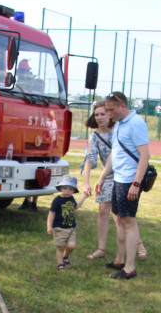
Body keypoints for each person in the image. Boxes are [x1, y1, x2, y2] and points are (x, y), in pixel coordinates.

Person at [96, 91, 149, 280]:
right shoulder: (119, 124)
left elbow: (145, 156)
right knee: (118, 218)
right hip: (119, 178)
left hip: (129, 180)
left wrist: (136, 183)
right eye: (107, 110)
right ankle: (119, 260)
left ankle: (130, 267)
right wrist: (102, 177)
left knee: (128, 221)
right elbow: (114, 154)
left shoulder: (136, 123)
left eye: (111, 110)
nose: (108, 114)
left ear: (122, 106)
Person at [82, 101, 115, 258]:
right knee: (103, 211)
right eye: (96, 115)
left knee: (122, 214)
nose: (100, 117)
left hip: (124, 175)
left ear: (110, 114)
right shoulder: (94, 136)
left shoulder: (118, 131)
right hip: (107, 176)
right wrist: (86, 182)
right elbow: (90, 159)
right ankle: (101, 249)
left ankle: (139, 245)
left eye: (103, 114)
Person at [47, 175, 88, 271]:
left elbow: (76, 206)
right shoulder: (57, 200)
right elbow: (51, 213)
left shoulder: (71, 199)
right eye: (65, 188)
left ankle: (65, 256)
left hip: (71, 228)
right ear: (60, 188)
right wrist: (49, 226)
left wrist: (84, 197)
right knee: (60, 247)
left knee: (71, 246)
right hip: (59, 228)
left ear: (74, 190)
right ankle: (60, 264)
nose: (67, 191)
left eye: (70, 189)